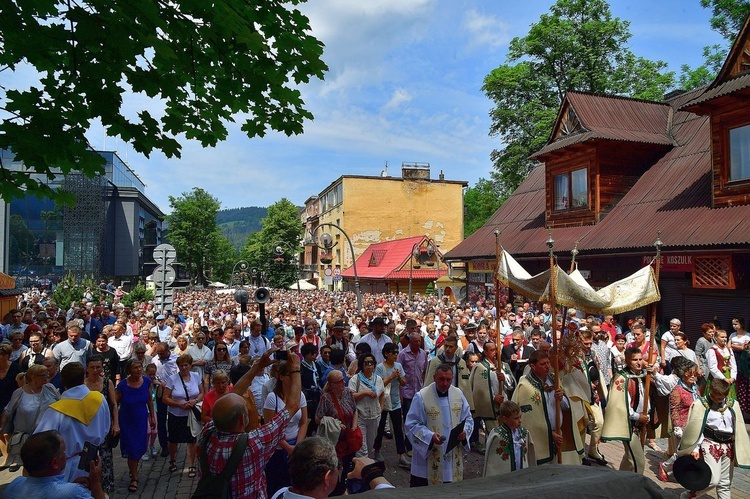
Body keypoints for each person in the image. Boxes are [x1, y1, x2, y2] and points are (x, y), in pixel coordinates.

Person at [197, 347, 301, 499]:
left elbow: (230, 398)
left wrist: (258, 366)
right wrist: (296, 369)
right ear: (241, 420)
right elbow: (292, 406)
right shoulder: (253, 444)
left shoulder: (208, 431)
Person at [34, 362, 111, 483]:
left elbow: (39, 442)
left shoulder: (55, 410)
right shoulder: (99, 399)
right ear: (83, 378)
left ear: (63, 381)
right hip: (93, 459)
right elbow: (106, 427)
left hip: (67, 466)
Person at [677, 378, 750, 499]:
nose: (716, 399)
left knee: (725, 483)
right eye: (714, 396)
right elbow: (696, 428)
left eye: (720, 398)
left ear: (726, 395)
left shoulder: (733, 405)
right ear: (710, 391)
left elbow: (739, 427)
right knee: (712, 480)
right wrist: (695, 448)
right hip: (710, 443)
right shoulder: (701, 404)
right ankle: (688, 495)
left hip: (728, 446)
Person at [405, 363, 474, 486]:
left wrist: (465, 432)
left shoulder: (458, 394)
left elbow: (468, 418)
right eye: (441, 379)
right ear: (434, 377)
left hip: (452, 456)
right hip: (428, 459)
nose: (445, 383)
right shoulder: (421, 396)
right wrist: (430, 436)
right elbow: (411, 425)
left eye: (448, 379)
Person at [271, 437, 394, 499]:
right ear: (326, 478)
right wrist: (372, 472)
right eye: (337, 466)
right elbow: (396, 495)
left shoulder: (279, 494)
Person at [2, 430, 105, 499]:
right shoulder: (74, 493)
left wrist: (69, 486)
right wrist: (96, 482)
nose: (66, 454)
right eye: (64, 451)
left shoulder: (14, 485)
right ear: (55, 463)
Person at [511, 350, 569, 465]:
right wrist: (549, 434)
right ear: (532, 366)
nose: (547, 366)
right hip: (539, 439)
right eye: (543, 364)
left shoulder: (554, 380)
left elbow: (566, 407)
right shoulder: (525, 386)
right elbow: (528, 420)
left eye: (548, 363)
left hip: (558, 434)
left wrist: (562, 397)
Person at [601, 347, 651, 474]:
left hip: (641, 422)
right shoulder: (621, 378)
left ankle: (619, 479)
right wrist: (637, 417)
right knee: (637, 461)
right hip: (628, 425)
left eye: (640, 359)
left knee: (629, 457)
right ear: (628, 361)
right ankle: (636, 488)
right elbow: (621, 406)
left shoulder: (643, 374)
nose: (639, 362)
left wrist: (653, 372)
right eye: (635, 360)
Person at [0, 365, 59, 471]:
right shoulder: (19, 393)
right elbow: (8, 410)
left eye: (47, 374)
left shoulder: (50, 388)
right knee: (31, 469)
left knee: (49, 467)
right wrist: (1, 426)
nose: (47, 376)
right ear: (33, 377)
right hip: (29, 440)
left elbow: (60, 404)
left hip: (49, 437)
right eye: (43, 375)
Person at [264, 360, 309, 497]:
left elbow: (303, 422)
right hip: (277, 449)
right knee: (277, 485)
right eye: (292, 375)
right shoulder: (273, 398)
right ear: (282, 377)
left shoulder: (300, 396)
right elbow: (269, 428)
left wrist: (297, 445)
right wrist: (287, 448)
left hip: (295, 445)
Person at [314, 369, 358, 496]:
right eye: (340, 381)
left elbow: (355, 410)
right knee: (335, 470)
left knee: (348, 469)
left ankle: (346, 490)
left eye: (343, 379)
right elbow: (318, 419)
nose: (344, 382)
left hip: (348, 439)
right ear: (332, 384)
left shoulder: (348, 393)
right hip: (334, 441)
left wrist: (354, 427)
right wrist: (336, 424)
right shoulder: (326, 398)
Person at [116, 358, 155, 493]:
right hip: (127, 421)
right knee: (132, 449)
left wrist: (152, 416)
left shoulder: (146, 382)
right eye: (135, 368)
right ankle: (134, 477)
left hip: (141, 419)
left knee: (139, 448)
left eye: (140, 367)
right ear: (128, 370)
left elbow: (149, 399)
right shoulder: (122, 385)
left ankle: (132, 470)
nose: (138, 370)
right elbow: (115, 403)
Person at [162, 353, 204, 477]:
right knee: (173, 439)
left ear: (190, 365)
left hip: (191, 414)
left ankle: (191, 464)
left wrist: (195, 401)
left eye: (186, 365)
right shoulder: (172, 379)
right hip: (176, 414)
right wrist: (180, 404)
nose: (184, 368)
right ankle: (173, 460)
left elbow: (201, 393)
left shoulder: (196, 376)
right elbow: (165, 398)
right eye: (181, 366)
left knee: (191, 439)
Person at [83, 355, 119, 495]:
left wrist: (115, 423)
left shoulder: (106, 382)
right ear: (87, 368)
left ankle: (106, 491)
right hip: (88, 427)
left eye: (98, 367)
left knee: (105, 459)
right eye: (92, 367)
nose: (95, 370)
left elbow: (114, 404)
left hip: (104, 426)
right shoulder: (83, 384)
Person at [470, 340, 514, 454]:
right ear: (485, 352)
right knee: (494, 436)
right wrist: (492, 398)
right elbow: (478, 389)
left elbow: (511, 385)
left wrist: (504, 378)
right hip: (491, 407)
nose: (495, 352)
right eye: (492, 350)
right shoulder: (480, 367)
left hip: (504, 404)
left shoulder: (504, 365)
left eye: (496, 349)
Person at [372, 342, 409, 468]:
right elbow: (379, 384)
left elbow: (404, 383)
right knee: (380, 428)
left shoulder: (398, 365)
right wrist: (391, 376)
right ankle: (377, 451)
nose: (395, 355)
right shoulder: (380, 368)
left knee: (398, 429)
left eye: (396, 352)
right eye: (393, 352)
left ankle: (401, 455)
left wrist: (398, 378)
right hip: (383, 402)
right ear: (386, 354)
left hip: (396, 402)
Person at [483, 400, 535, 476]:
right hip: (503, 477)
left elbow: (530, 456)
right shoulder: (496, 435)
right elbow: (492, 461)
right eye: (516, 418)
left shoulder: (525, 433)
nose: (520, 421)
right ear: (505, 419)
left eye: (520, 417)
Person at [348, 353, 383, 460]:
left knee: (370, 443)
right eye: (366, 363)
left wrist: (380, 409)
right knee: (361, 447)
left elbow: (382, 395)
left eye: (371, 363)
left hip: (374, 416)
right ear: (361, 365)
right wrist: (365, 393)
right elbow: (351, 396)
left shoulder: (378, 379)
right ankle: (361, 471)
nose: (369, 365)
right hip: (360, 417)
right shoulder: (355, 379)